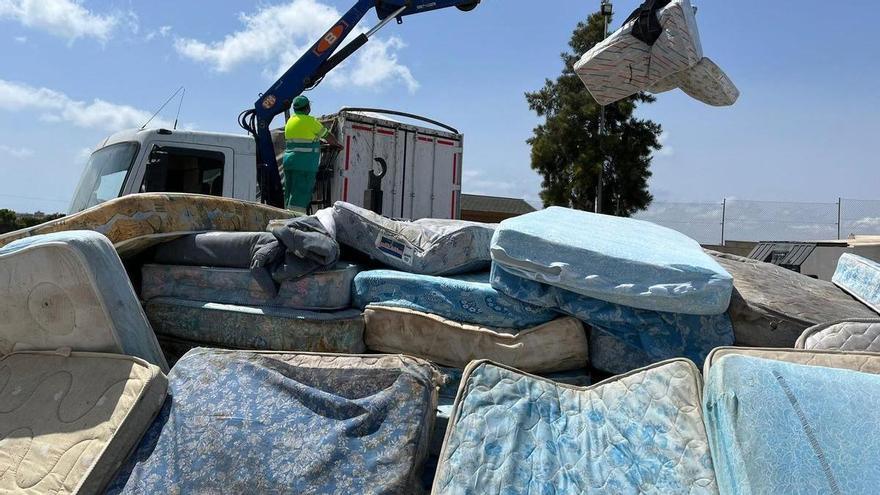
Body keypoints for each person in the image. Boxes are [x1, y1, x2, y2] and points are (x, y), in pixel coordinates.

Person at [282, 95, 342, 212]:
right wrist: (337, 144)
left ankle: (286, 217)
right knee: (300, 196)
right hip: (304, 164)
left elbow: (302, 139)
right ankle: (296, 222)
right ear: (307, 108)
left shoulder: (290, 121)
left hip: (289, 162)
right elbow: (327, 136)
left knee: (289, 194)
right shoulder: (310, 121)